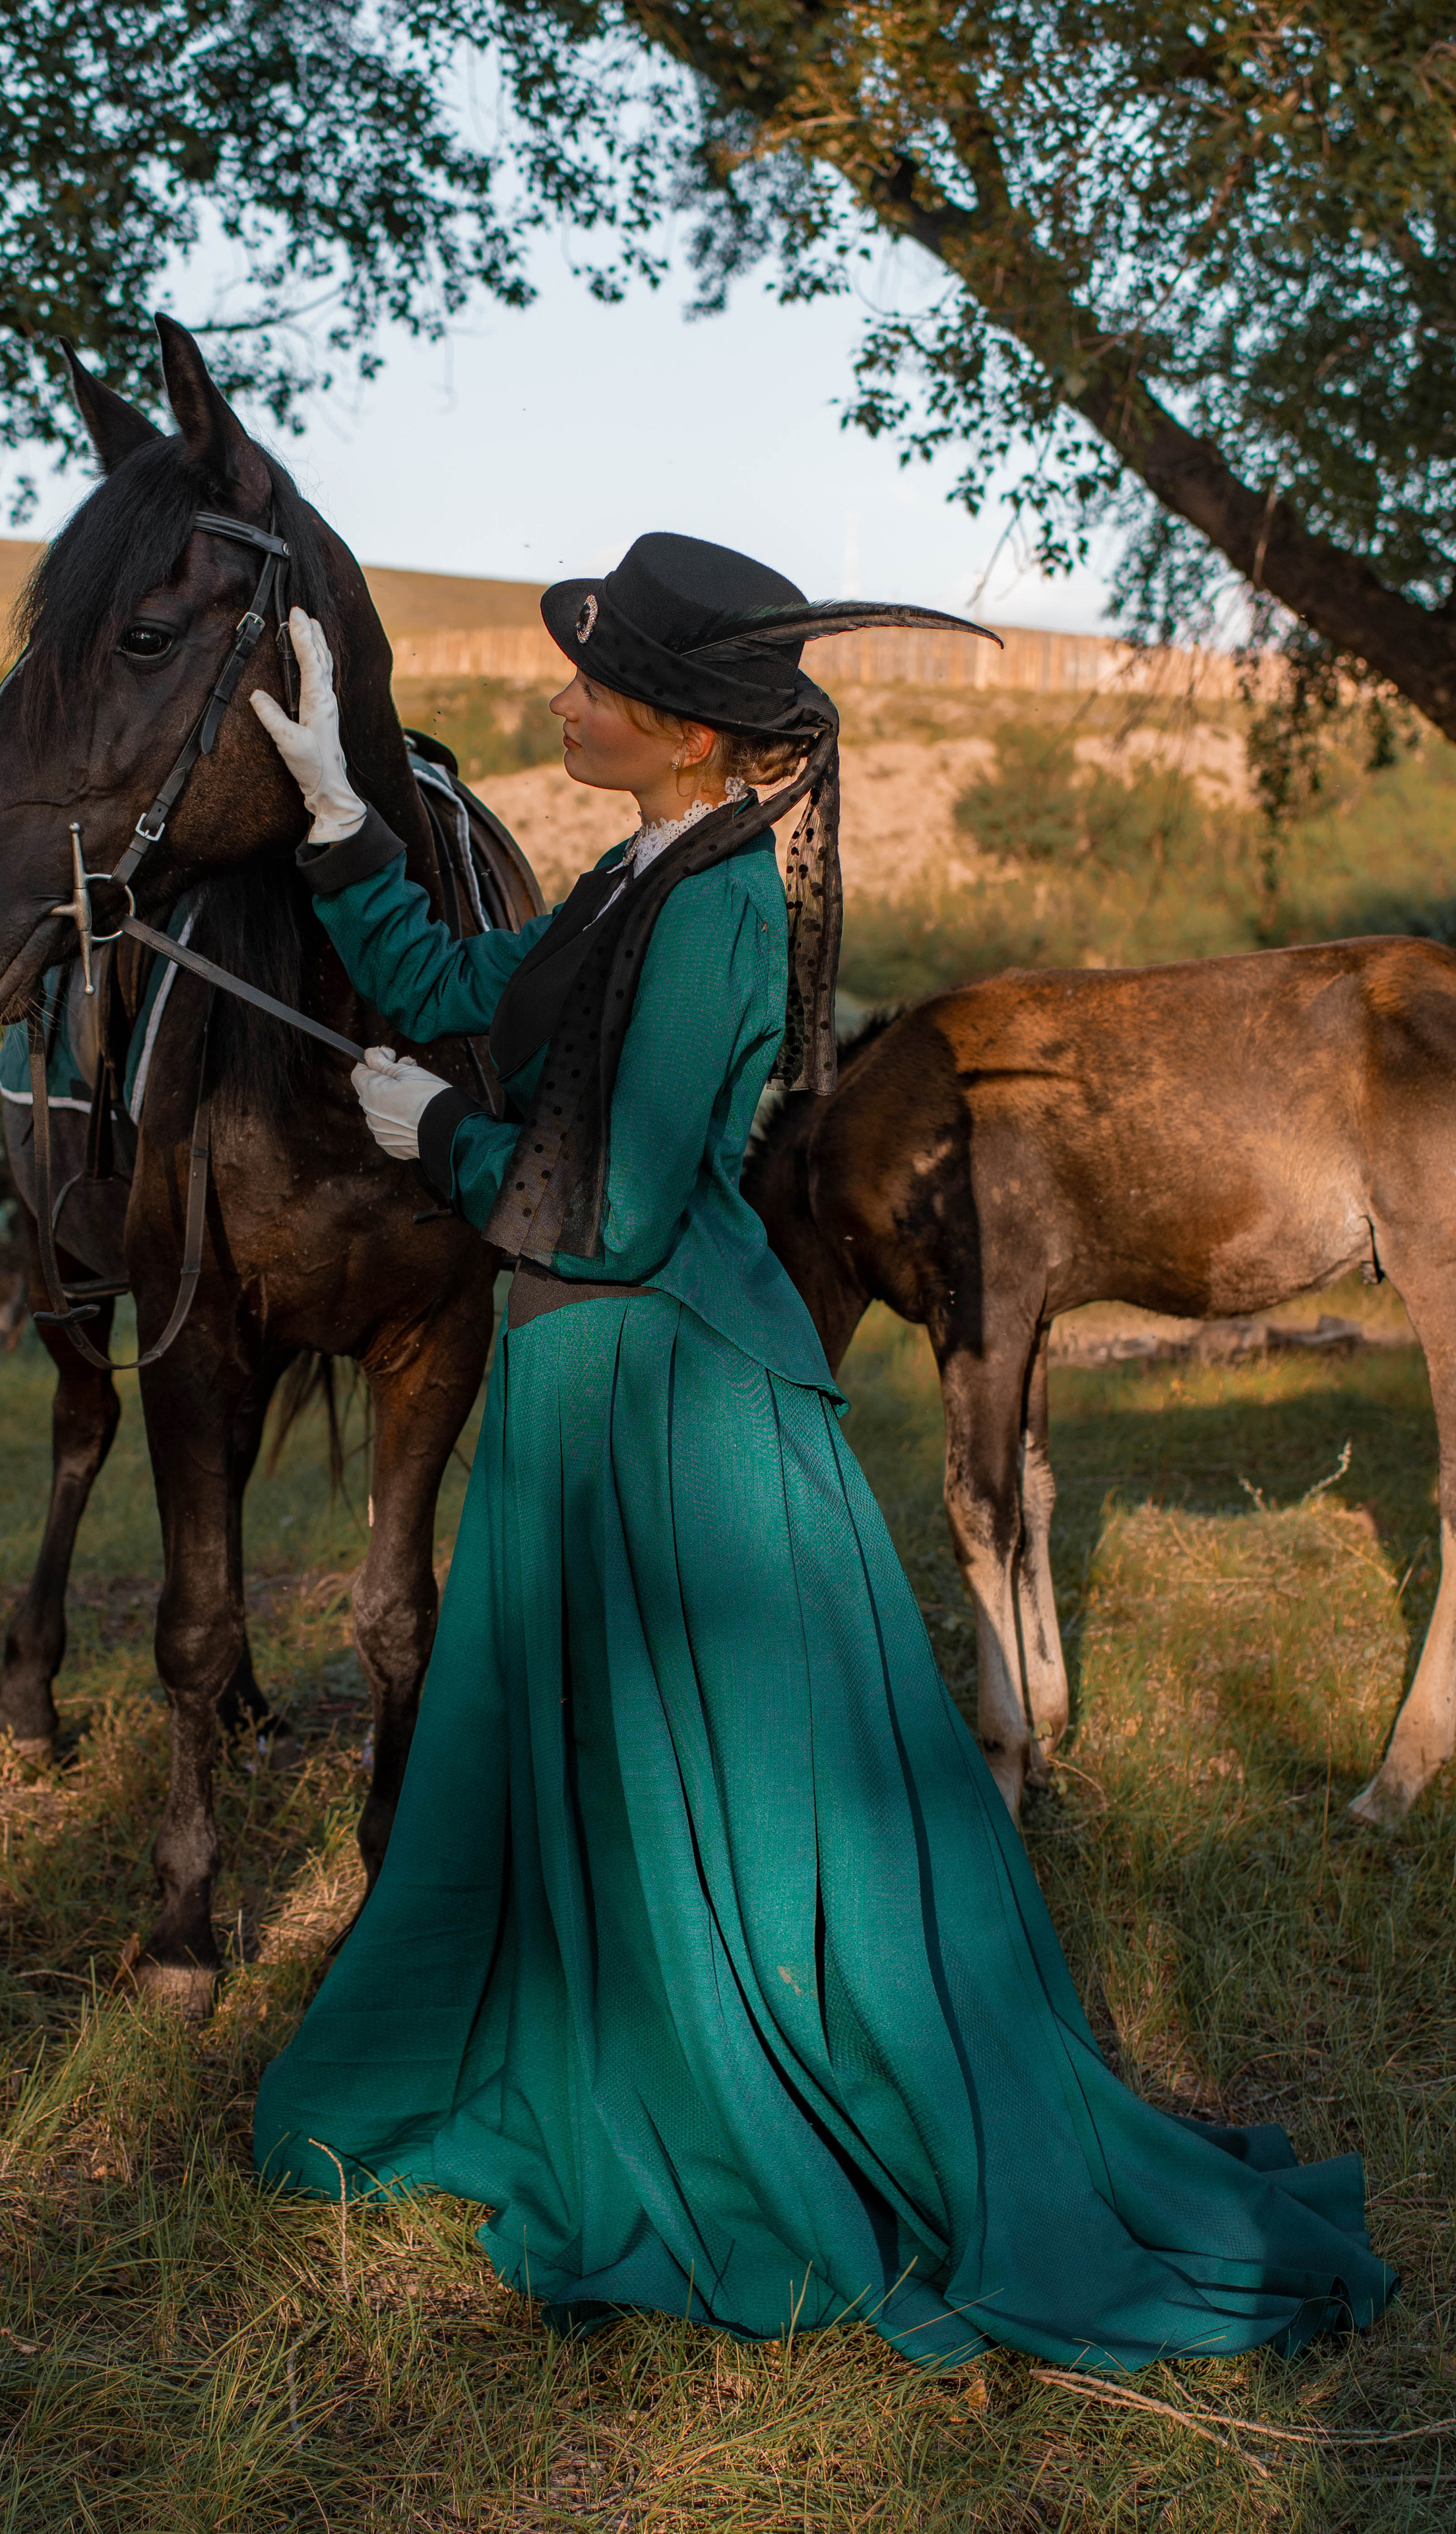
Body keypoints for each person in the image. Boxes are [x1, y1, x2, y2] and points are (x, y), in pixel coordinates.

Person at [247, 533, 1393, 2369]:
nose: (562, 697)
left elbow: (610, 1210)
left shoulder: (711, 917)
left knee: (756, 1819)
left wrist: (437, 1137)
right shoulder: (644, 871)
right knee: (611, 1795)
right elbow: (460, 980)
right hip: (584, 1406)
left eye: (594, 680)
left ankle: (758, 2102)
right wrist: (329, 807)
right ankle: (631, 2048)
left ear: (687, 734)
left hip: (675, 1418)